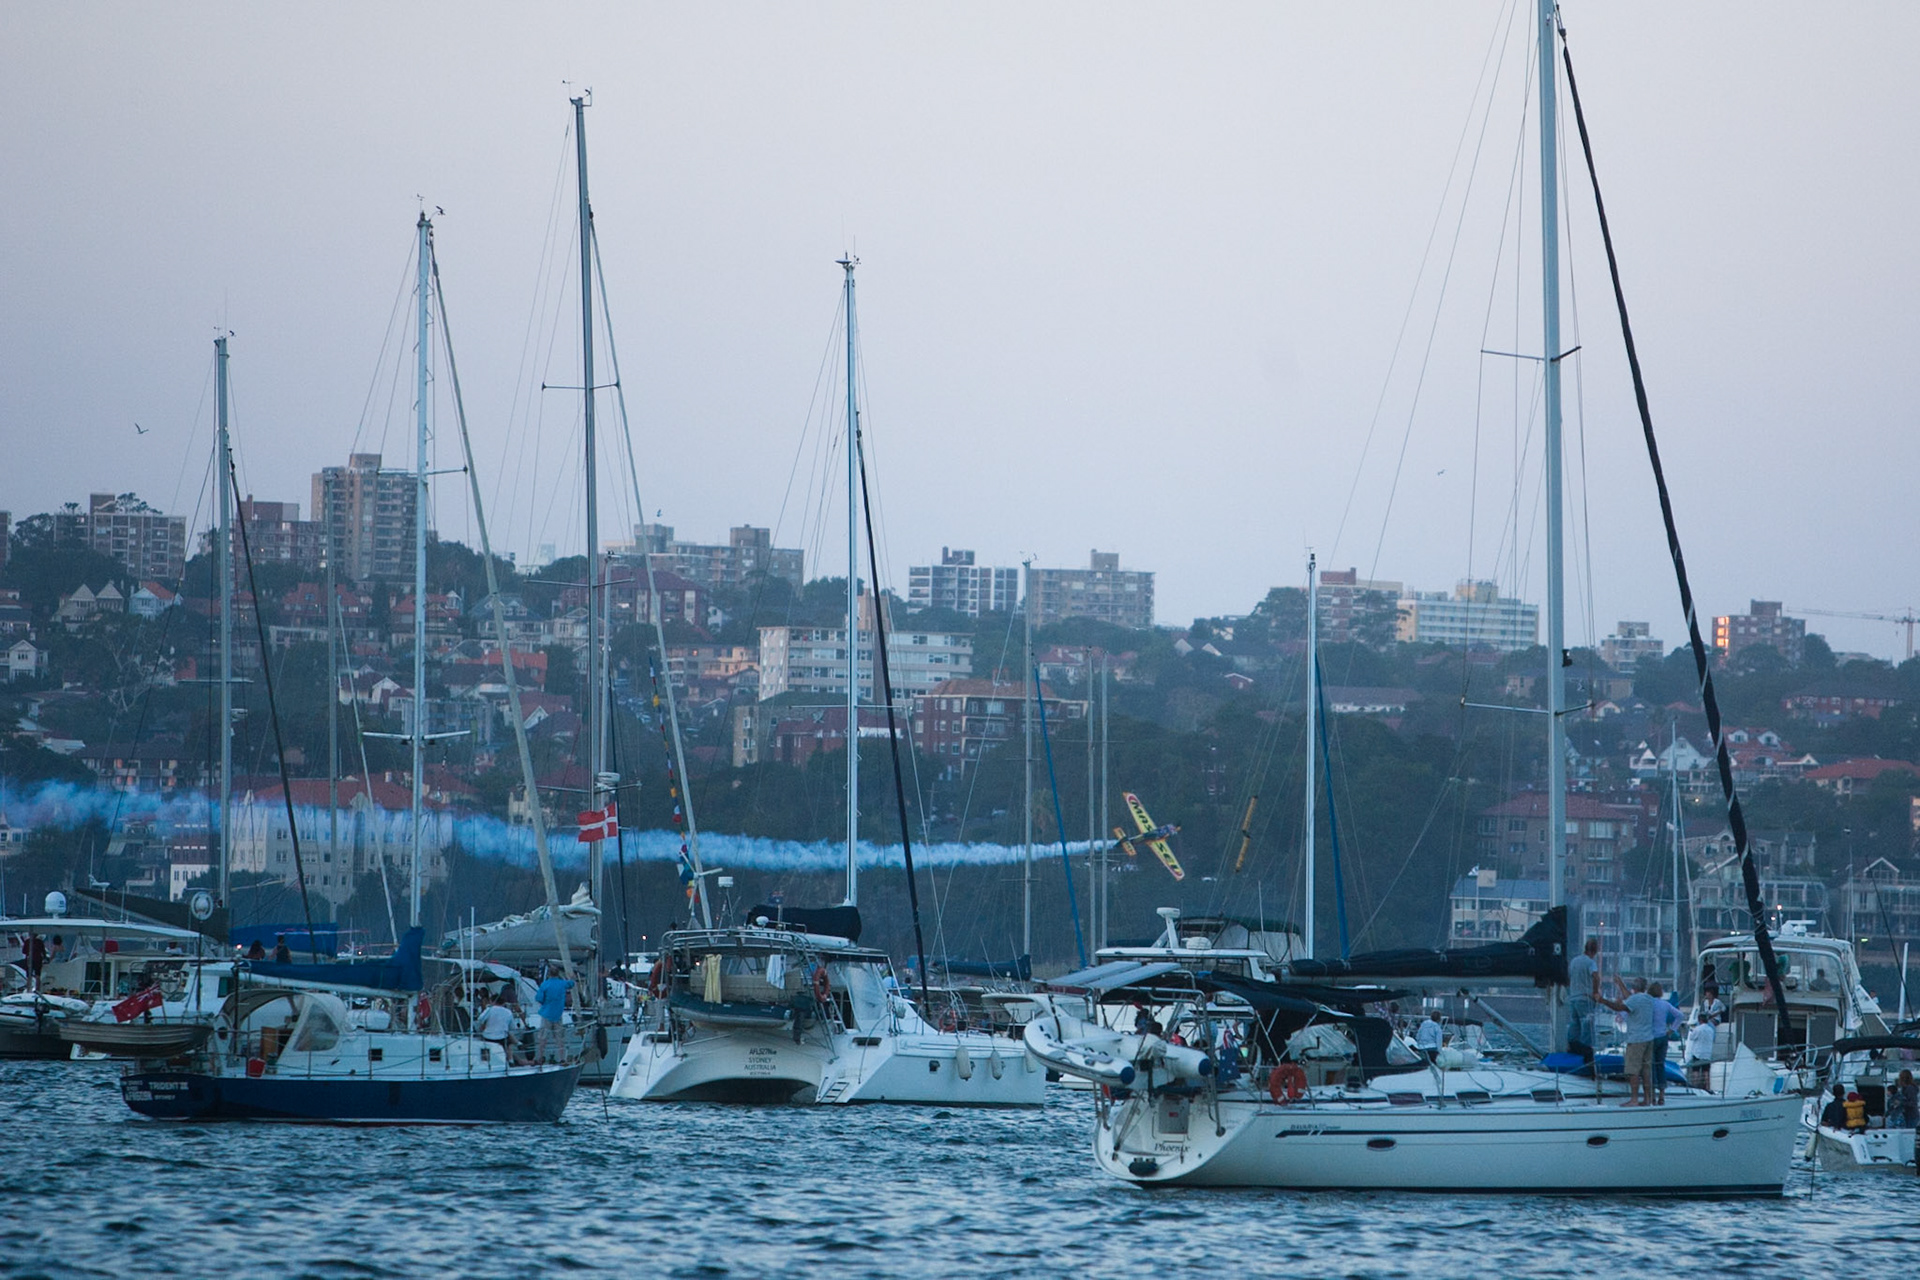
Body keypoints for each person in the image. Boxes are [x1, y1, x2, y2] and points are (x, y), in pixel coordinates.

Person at [1598, 977, 1656, 1106]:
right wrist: (1620, 984)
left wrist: (1602, 1000)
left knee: (1633, 1070)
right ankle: (1647, 1099)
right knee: (1646, 1071)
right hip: (1648, 1039)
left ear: (1633, 988)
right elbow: (1629, 998)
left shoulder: (1634, 1000)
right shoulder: (1648, 998)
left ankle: (1634, 1099)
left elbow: (1619, 1007)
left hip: (1636, 1040)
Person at [1646, 982, 1684, 1104]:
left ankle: (1652, 1095)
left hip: (1651, 1037)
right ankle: (1662, 1095)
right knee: (1660, 1065)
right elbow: (1680, 1016)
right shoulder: (1665, 1004)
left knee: (1651, 1066)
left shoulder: (1648, 1004)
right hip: (1663, 1037)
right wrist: (1672, 1030)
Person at [1567, 937, 1601, 1060]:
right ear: (1595, 951)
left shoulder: (1574, 961)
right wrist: (1595, 992)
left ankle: (1572, 1048)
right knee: (1587, 1026)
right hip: (1585, 998)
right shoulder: (1590, 962)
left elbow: (1569, 977)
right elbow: (1596, 977)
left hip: (1573, 998)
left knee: (1574, 1025)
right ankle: (1587, 1054)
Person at [535, 969, 574, 1064]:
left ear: (549, 974)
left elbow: (539, 998)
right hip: (558, 1014)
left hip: (546, 1013)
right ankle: (562, 1058)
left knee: (543, 1037)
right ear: (558, 974)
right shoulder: (562, 984)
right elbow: (571, 984)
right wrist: (571, 977)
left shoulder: (545, 984)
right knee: (559, 1038)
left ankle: (540, 1057)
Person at [474, 991, 518, 1064]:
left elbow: (480, 1019)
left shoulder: (489, 1010)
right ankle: (510, 1060)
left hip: (488, 1037)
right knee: (509, 1043)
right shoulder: (508, 1012)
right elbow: (512, 1027)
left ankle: (486, 1061)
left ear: (492, 1001)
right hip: (502, 1038)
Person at [1683, 1012, 1718, 1089]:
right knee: (1706, 1071)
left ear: (1699, 1020)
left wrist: (1691, 1030)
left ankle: (1695, 1086)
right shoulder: (1711, 1029)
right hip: (1707, 1053)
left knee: (1696, 1071)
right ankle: (1708, 1087)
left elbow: (1692, 1037)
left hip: (1697, 1053)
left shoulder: (1698, 1029)